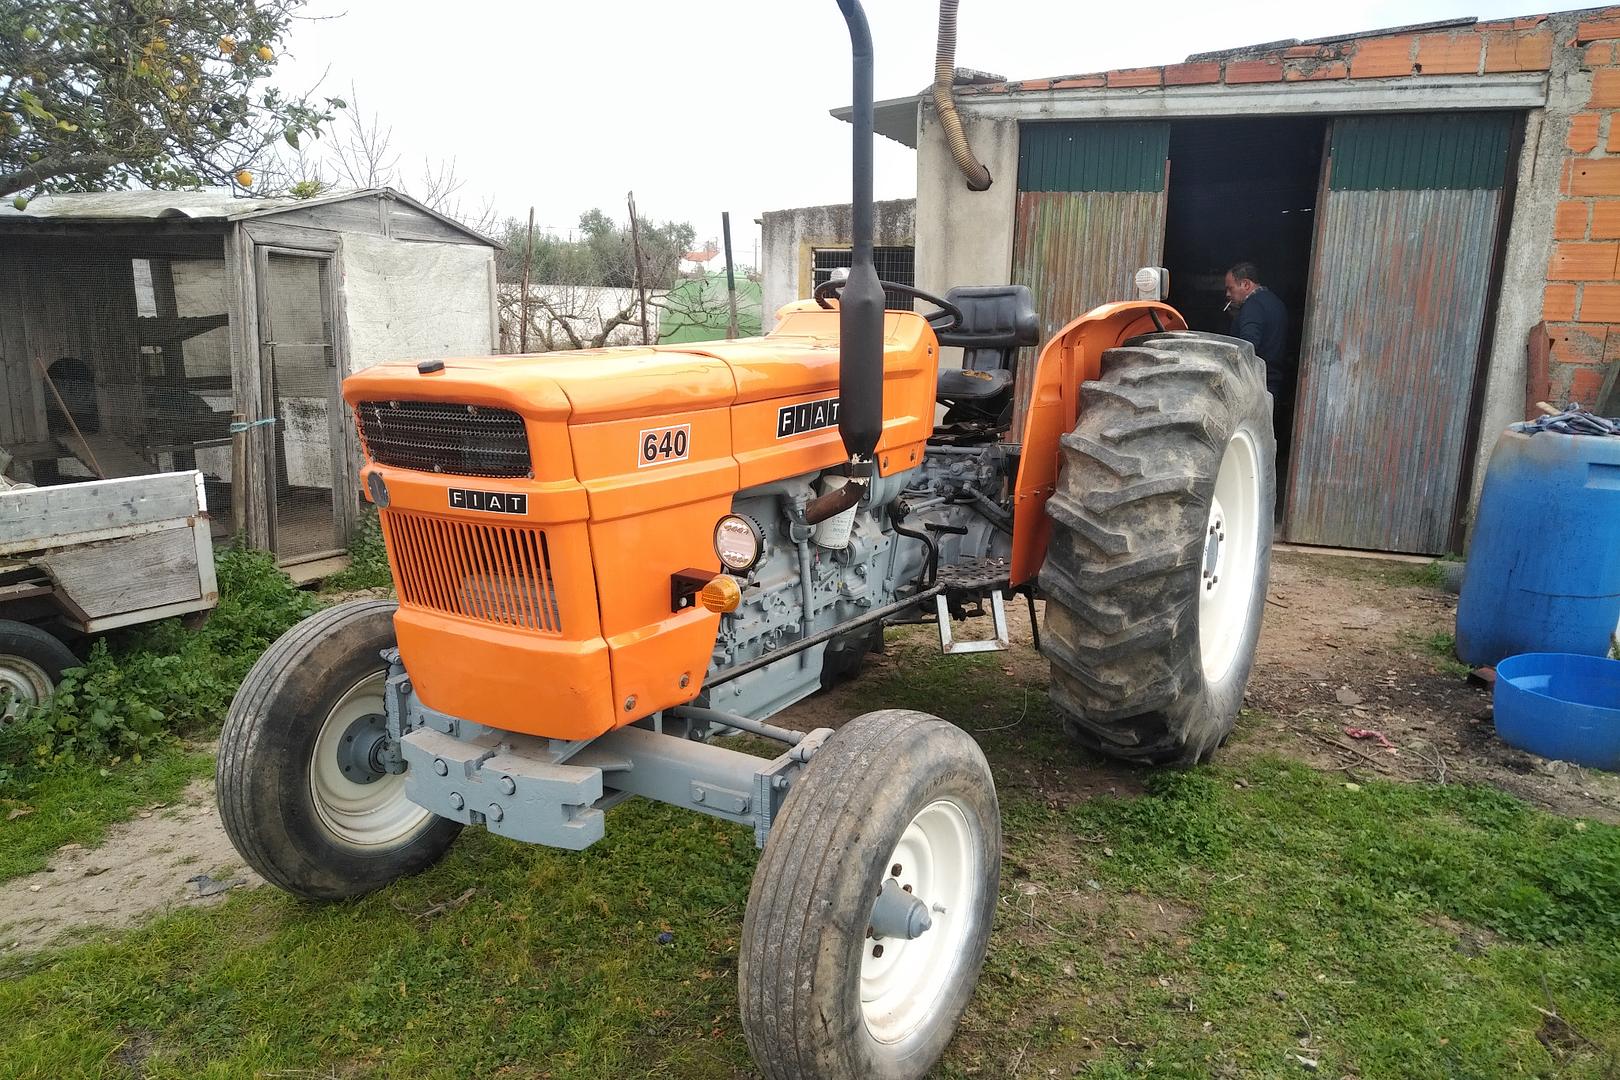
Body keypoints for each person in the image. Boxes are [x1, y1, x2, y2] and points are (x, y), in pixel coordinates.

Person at [1223, 262, 1291, 397]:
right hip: (1273, 381)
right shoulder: (1275, 302)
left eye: (1231, 288)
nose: (1227, 294)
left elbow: (1248, 344)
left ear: (1246, 284)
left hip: (1256, 385)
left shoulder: (1253, 305)